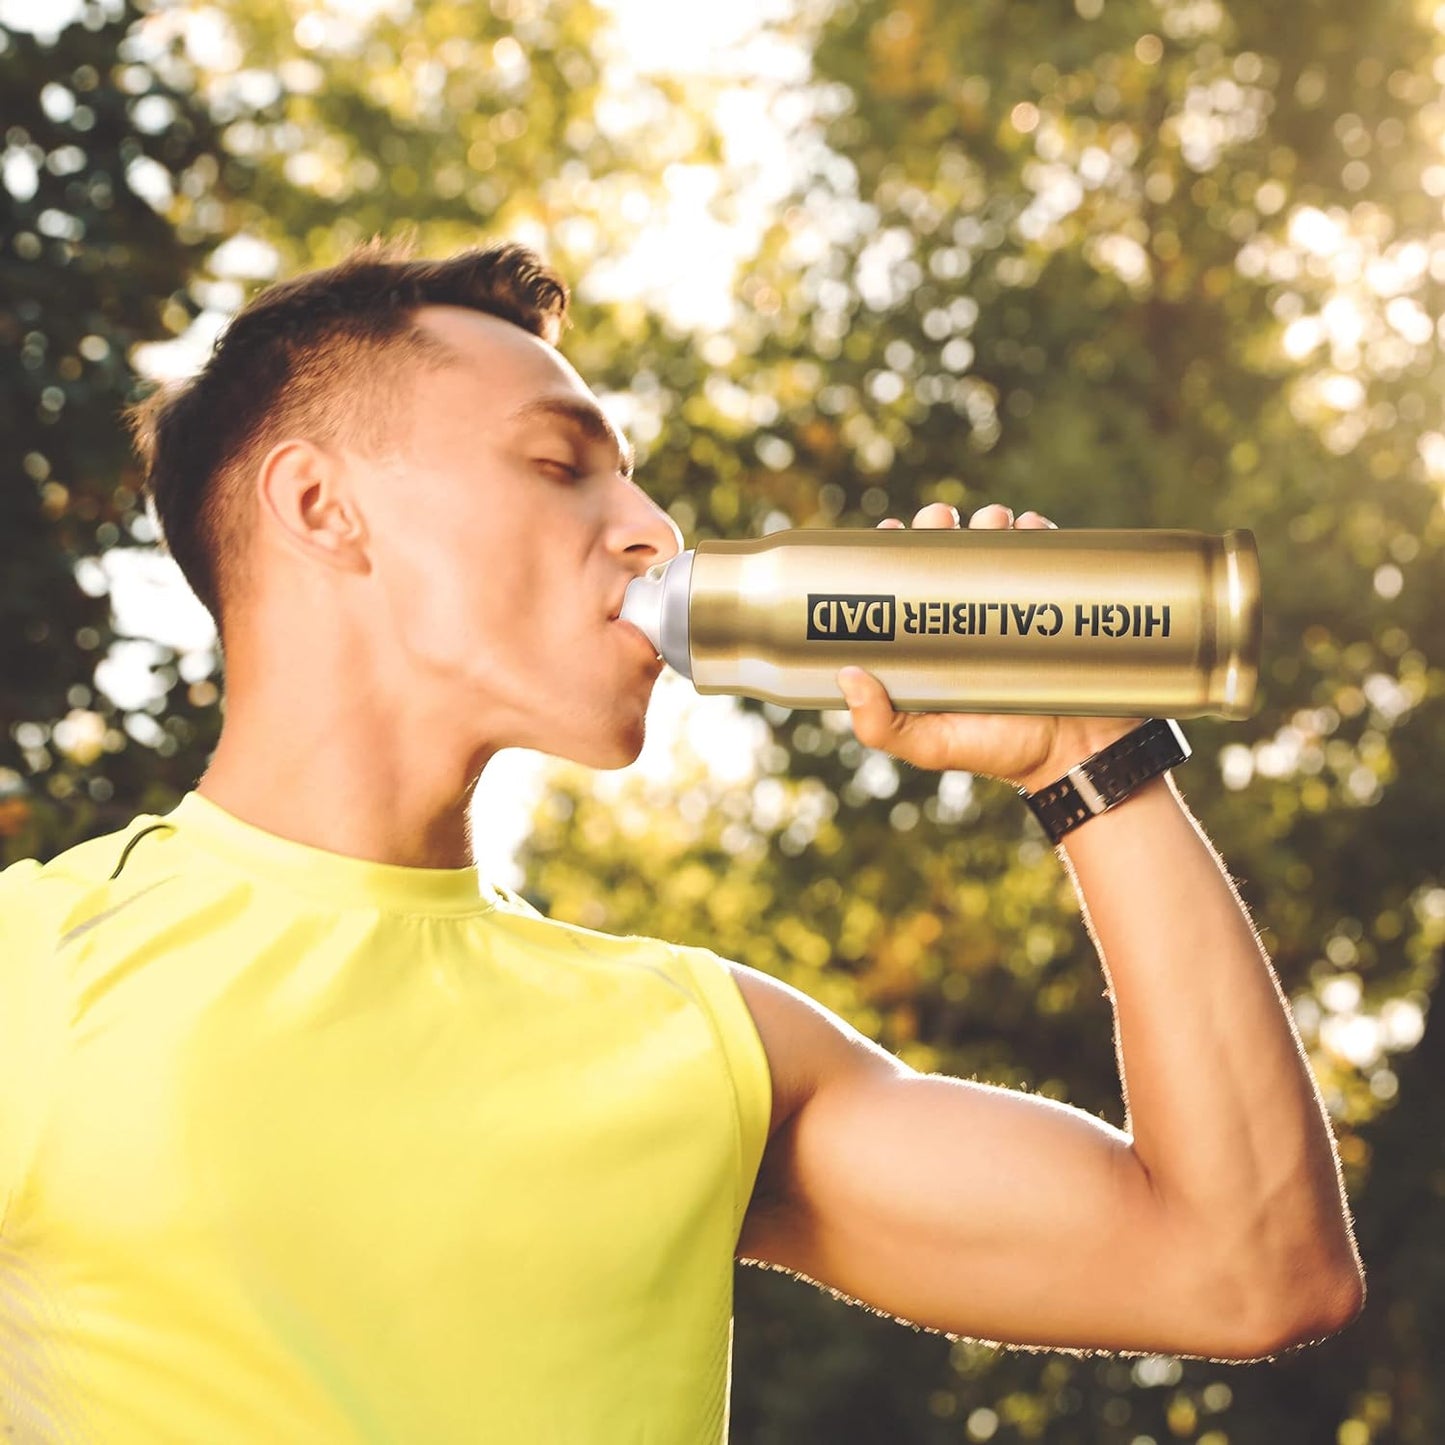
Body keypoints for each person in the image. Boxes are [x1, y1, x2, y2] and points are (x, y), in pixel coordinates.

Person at [0, 242, 1364, 1442]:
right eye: (557, 464)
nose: (653, 532)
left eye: (636, 485)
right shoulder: (33, 971)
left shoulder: (696, 1045)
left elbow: (1248, 1267)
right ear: (319, 506)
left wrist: (1087, 764)